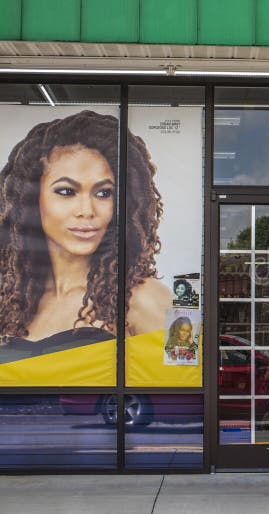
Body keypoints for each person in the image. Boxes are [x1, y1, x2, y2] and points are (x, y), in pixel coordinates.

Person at [0, 110, 172, 355]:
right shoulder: (10, 298)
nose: (86, 211)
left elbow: (187, 376)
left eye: (103, 193)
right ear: (30, 200)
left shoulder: (147, 299)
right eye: (66, 192)